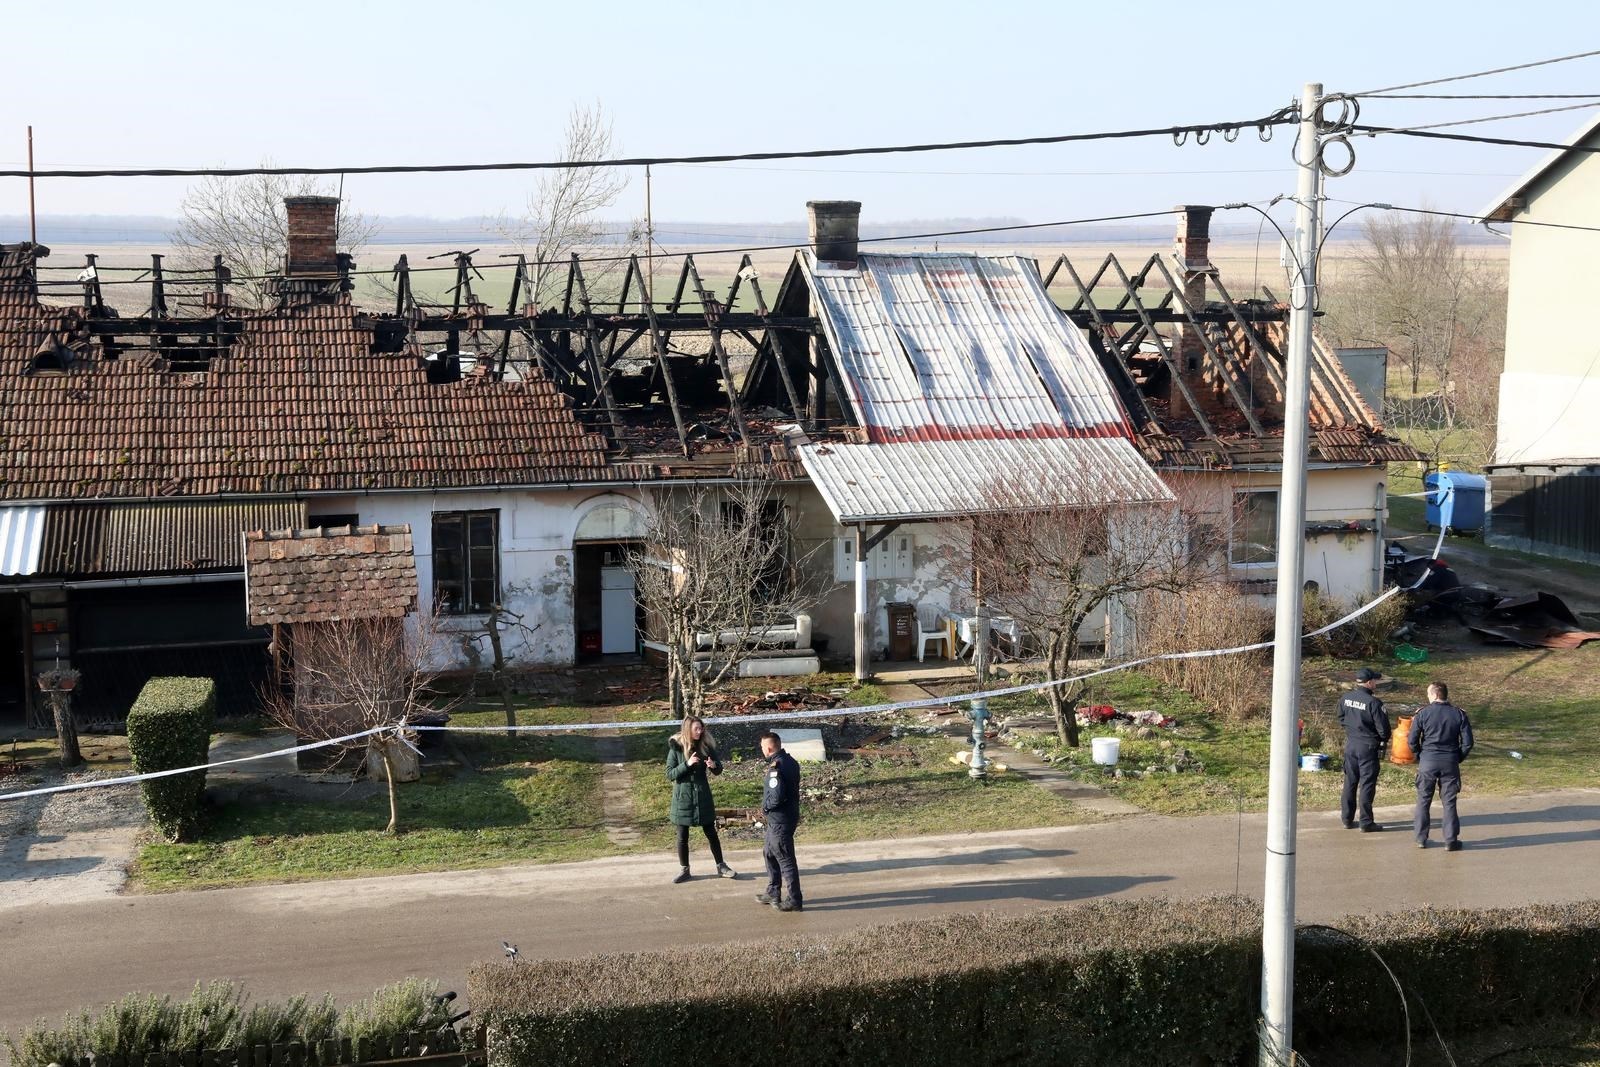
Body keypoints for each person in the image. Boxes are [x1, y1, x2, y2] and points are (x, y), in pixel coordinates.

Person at [666, 716, 736, 883]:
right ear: (688, 729)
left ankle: (721, 866)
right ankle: (685, 870)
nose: (700, 731)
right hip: (683, 798)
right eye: (696, 728)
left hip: (703, 796)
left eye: (701, 728)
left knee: (711, 833)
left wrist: (714, 766)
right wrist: (687, 764)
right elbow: (670, 774)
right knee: (682, 836)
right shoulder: (676, 748)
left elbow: (718, 769)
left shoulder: (706, 746)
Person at [1408, 681, 1475, 851]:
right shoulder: (1459, 714)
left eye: (1429, 694)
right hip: (1450, 762)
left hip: (1427, 761)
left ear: (1435, 695)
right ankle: (1451, 840)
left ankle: (1421, 838)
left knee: (1423, 800)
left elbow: (1412, 740)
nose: (1427, 697)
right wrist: (1457, 758)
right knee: (1449, 802)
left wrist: (1420, 756)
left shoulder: (1423, 714)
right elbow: (1468, 743)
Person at [1338, 666, 1391, 832]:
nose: (1376, 682)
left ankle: (1347, 819)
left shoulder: (1345, 698)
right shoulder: (1374, 703)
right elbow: (1384, 731)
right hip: (1367, 747)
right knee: (1367, 784)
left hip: (1351, 744)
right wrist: (1379, 739)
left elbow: (1340, 718)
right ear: (1369, 683)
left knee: (1350, 782)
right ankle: (1366, 822)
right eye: (1375, 680)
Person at [755, 730, 803, 912]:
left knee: (785, 859)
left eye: (761, 747)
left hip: (780, 820)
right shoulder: (791, 762)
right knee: (769, 852)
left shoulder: (777, 767)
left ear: (768, 748)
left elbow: (776, 797)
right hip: (783, 819)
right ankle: (773, 891)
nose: (761, 750)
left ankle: (794, 899)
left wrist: (765, 808)